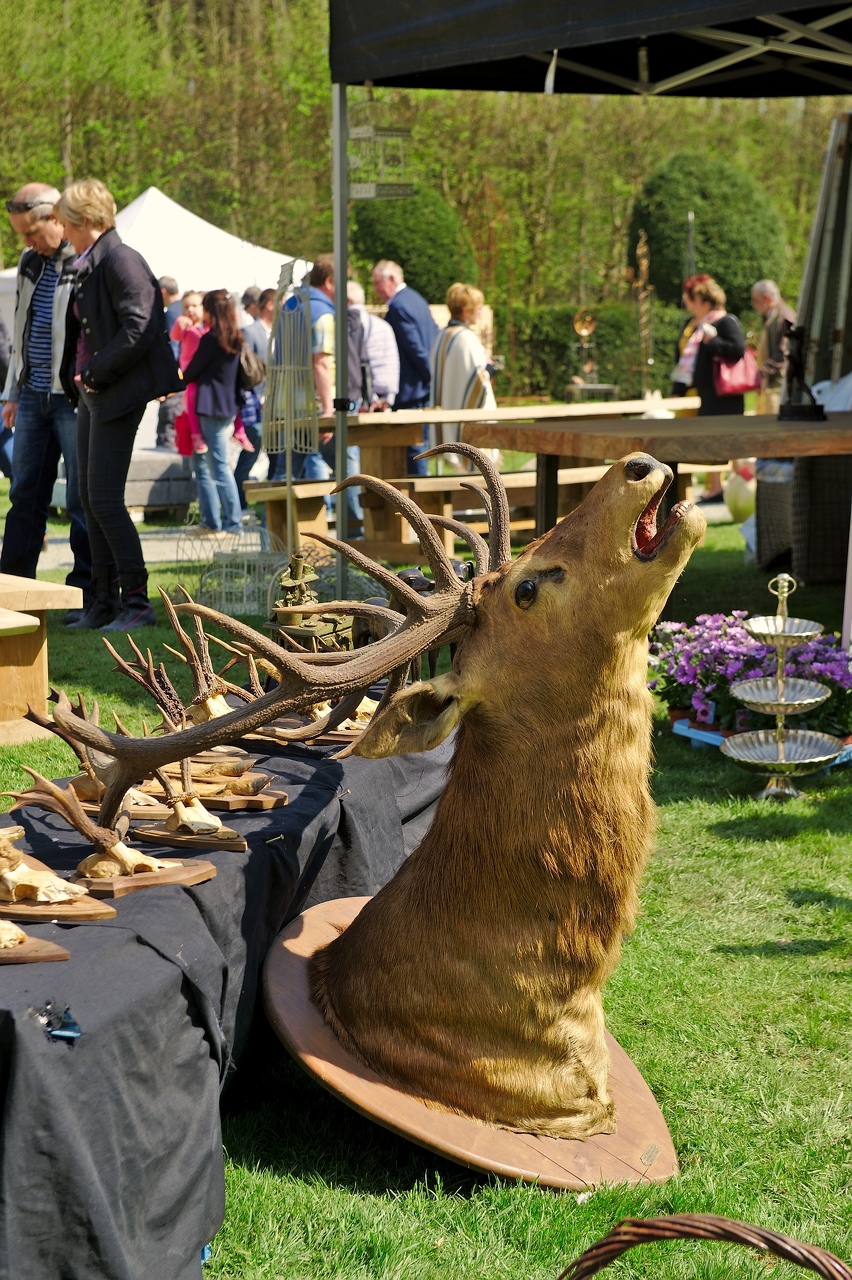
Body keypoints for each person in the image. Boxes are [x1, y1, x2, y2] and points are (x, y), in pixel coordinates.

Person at [56, 179, 181, 630]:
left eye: (68, 224)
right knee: (91, 501)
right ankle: (103, 604)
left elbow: (141, 325)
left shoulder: (121, 258)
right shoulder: (95, 260)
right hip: (95, 395)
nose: (64, 233)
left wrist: (93, 373)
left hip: (113, 393)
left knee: (105, 501)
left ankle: (137, 604)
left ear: (87, 221)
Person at [0, 182, 91, 622]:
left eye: (32, 232)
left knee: (79, 498)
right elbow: (20, 327)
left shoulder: (85, 261)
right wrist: (12, 392)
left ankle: (85, 595)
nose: (27, 242)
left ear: (57, 219)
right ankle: (12, 591)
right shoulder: (28, 262)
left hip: (71, 399)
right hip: (32, 393)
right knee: (24, 493)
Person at [290, 255, 363, 537]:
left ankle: (282, 543)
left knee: (290, 475)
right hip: (317, 407)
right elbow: (320, 362)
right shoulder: (322, 313)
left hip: (290, 408)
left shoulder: (291, 305)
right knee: (350, 472)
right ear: (331, 282)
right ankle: (355, 538)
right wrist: (328, 411)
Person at [182, 289, 244, 536]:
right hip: (228, 406)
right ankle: (217, 521)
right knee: (214, 465)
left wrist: (177, 377)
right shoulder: (236, 336)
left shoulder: (211, 339)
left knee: (218, 467)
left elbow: (192, 371)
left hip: (210, 408)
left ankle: (233, 523)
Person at [372, 259, 437, 475]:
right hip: (422, 388)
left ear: (391, 279)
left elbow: (416, 349)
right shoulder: (417, 299)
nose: (375, 290)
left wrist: (430, 378)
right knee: (420, 448)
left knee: (414, 451)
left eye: (376, 284)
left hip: (412, 392)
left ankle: (417, 506)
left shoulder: (398, 306)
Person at [689, 275, 746, 502]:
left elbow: (737, 349)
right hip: (710, 393)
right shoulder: (704, 324)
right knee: (713, 439)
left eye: (697, 301)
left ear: (707, 303)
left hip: (725, 394)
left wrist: (711, 343)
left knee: (725, 440)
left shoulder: (726, 322)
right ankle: (716, 487)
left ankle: (730, 485)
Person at [429, 282, 497, 469]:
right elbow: (478, 381)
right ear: (467, 310)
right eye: (479, 308)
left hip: (448, 411)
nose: (481, 312)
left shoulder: (442, 335)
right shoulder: (466, 337)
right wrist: (490, 369)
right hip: (468, 419)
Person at [237, 286, 274, 510]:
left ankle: (268, 503)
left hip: (277, 405)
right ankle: (240, 503)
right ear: (269, 304)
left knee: (277, 456)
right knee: (251, 451)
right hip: (257, 405)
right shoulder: (249, 332)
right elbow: (247, 371)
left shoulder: (280, 332)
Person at [347, 281, 399, 409]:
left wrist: (372, 398)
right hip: (386, 398)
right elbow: (393, 361)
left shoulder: (350, 324)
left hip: (364, 399)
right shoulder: (384, 325)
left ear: (348, 300)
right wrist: (389, 397)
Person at [751, 279, 796, 415]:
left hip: (778, 386)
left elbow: (783, 352)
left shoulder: (783, 316)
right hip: (771, 385)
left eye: (755, 300)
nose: (753, 304)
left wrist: (761, 373)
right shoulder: (774, 316)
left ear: (766, 298)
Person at [671, 274, 711, 399]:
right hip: (686, 388)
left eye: (687, 295)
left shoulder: (713, 322)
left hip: (704, 390)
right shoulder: (689, 322)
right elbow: (681, 358)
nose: (684, 298)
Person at [156, 275, 183, 449]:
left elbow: (174, 345)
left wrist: (166, 380)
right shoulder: (184, 307)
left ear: (162, 291)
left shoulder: (173, 311)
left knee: (168, 428)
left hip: (177, 378)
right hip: (189, 376)